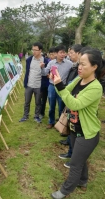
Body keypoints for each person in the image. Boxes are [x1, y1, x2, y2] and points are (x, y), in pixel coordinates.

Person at [51, 49, 105, 199]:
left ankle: (65, 190)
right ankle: (83, 180)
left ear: (94, 67)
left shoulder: (95, 87)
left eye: (83, 64)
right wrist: (57, 82)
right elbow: (64, 94)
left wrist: (60, 87)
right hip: (75, 128)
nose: (79, 67)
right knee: (80, 159)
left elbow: (75, 104)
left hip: (88, 134)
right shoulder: (78, 80)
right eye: (78, 64)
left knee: (75, 163)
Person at [58, 44, 83, 168]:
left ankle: (73, 158)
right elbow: (68, 86)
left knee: (76, 132)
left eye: (71, 53)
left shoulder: (83, 74)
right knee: (71, 129)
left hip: (75, 104)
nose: (69, 55)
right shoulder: (75, 67)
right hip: (70, 101)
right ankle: (70, 152)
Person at [41, 45, 72, 129]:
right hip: (52, 86)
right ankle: (51, 121)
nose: (63, 54)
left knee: (61, 106)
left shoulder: (69, 64)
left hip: (63, 87)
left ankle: (60, 122)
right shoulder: (51, 63)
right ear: (56, 54)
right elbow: (44, 73)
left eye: (64, 52)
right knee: (51, 106)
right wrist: (42, 67)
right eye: (61, 52)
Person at [19, 42, 48, 123]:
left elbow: (46, 73)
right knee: (27, 102)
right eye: (33, 50)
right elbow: (27, 72)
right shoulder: (29, 60)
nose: (33, 51)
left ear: (40, 50)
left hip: (39, 85)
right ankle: (25, 116)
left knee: (38, 102)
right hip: (29, 84)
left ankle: (36, 116)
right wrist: (26, 83)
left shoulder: (45, 61)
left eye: (36, 50)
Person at [40, 47, 56, 119]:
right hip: (45, 83)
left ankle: (54, 116)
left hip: (52, 84)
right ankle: (41, 113)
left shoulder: (57, 62)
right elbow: (43, 71)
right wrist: (47, 74)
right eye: (50, 54)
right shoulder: (46, 61)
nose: (51, 56)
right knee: (43, 99)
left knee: (51, 101)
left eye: (53, 54)